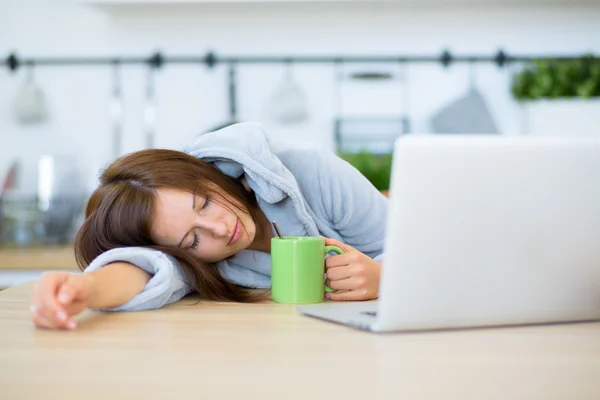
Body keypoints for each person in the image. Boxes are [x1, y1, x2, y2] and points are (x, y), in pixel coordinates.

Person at [29, 122, 388, 330]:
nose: (219, 228)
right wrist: (85, 288)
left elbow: (421, 246)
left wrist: (381, 277)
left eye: (204, 201)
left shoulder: (311, 173)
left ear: (209, 174)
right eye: (193, 238)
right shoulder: (199, 264)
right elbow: (143, 268)